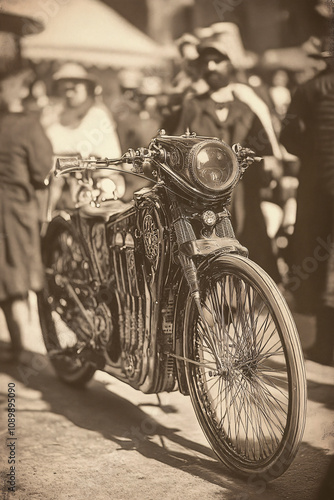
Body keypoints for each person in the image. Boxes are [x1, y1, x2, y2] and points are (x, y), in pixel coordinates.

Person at [176, 39, 281, 282]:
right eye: (206, 62)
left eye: (218, 61)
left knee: (249, 242)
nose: (211, 67)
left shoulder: (246, 108)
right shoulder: (192, 106)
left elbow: (265, 151)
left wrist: (266, 167)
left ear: (230, 65)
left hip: (243, 192)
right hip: (202, 195)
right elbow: (180, 145)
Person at [280, 39, 334, 366]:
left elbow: (288, 137)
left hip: (318, 186)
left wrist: (313, 153)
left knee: (318, 261)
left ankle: (325, 346)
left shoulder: (309, 88)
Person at [0, 67, 53, 361]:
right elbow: (43, 170)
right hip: (16, 210)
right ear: (22, 91)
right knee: (18, 274)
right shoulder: (29, 125)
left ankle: (17, 343)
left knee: (4, 275)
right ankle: (24, 348)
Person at [45, 63, 126, 205]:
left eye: (74, 88)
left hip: (92, 184)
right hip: (57, 185)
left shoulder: (98, 115)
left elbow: (109, 156)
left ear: (87, 88)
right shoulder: (54, 115)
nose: (69, 93)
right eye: (65, 89)